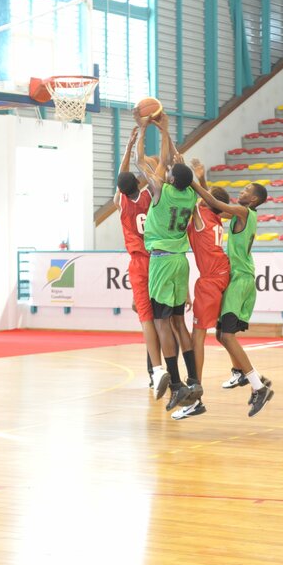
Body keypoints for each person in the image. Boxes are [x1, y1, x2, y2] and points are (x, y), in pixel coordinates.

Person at [191, 178, 274, 417]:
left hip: (240, 280)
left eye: (247, 190)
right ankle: (245, 374)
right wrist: (203, 180)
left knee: (226, 336)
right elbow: (214, 207)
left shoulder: (244, 211)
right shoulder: (242, 214)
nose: (242, 191)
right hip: (238, 278)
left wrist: (192, 183)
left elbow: (215, 203)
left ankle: (258, 387)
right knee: (221, 334)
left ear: (254, 199)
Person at [134, 113, 200, 413]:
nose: (167, 170)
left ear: (172, 180)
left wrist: (147, 130)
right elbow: (173, 161)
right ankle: (193, 379)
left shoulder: (162, 191)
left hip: (161, 262)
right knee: (178, 322)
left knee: (162, 324)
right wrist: (165, 132)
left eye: (170, 172)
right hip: (181, 262)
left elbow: (144, 162)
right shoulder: (190, 196)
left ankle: (176, 384)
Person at [172, 160, 233, 420]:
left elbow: (198, 195)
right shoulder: (215, 216)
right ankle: (244, 374)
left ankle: (195, 396)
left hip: (210, 280)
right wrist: (202, 177)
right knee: (216, 334)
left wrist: (183, 170)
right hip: (221, 274)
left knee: (198, 337)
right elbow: (210, 199)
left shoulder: (201, 213)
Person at [114, 129, 162, 393]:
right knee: (162, 319)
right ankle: (164, 370)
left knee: (147, 319)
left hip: (138, 263)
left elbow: (121, 179)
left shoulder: (121, 203)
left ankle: (155, 371)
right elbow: (149, 176)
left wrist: (128, 147)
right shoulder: (150, 196)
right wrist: (138, 147)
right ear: (137, 182)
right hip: (157, 259)